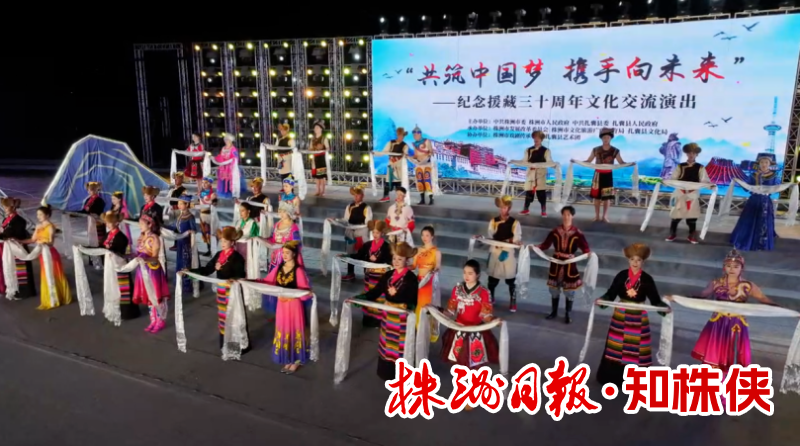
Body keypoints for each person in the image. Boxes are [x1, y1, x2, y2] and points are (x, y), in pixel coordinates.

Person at [595, 243, 668, 385]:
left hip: (638, 317)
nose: (635, 262)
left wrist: (664, 308)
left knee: (637, 348)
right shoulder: (621, 276)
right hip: (621, 316)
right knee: (617, 346)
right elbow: (611, 293)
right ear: (628, 260)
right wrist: (602, 300)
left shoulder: (647, 279)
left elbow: (655, 299)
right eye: (632, 259)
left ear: (643, 262)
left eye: (638, 260)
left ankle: (635, 381)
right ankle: (613, 378)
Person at [355, 242, 418, 380]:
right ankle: (386, 373)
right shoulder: (388, 275)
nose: (396, 261)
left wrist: (402, 299)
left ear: (407, 260)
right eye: (394, 258)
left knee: (399, 345)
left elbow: (412, 299)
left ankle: (400, 375)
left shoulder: (411, 278)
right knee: (386, 343)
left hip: (401, 317)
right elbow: (377, 290)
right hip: (388, 315)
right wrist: (363, 297)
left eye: (400, 259)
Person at [188, 226, 251, 351]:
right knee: (223, 317)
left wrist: (233, 279)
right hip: (222, 291)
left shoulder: (237, 257)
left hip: (233, 292)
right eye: (221, 240)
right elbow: (207, 270)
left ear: (232, 242)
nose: (222, 243)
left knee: (235, 317)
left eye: (225, 241)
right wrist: (189, 272)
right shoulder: (219, 255)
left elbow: (241, 275)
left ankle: (240, 344)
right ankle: (226, 343)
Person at [258, 240, 313, 374]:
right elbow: (267, 281)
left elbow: (304, 291)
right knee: (283, 330)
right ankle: (288, 358)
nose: (284, 255)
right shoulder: (279, 267)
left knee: (294, 330)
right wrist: (249, 281)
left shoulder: (298, 271)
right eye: (283, 253)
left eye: (287, 253)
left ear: (294, 254)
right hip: (282, 305)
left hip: (294, 306)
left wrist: (305, 293)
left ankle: (296, 360)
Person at [441, 259, 498, 375]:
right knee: (459, 364)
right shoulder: (457, 289)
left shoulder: (484, 292)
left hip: (475, 330)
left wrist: (494, 320)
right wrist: (436, 311)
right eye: (465, 272)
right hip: (459, 328)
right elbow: (450, 311)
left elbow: (485, 316)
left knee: (474, 365)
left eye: (470, 273)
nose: (466, 276)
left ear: (478, 275)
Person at [536, 205, 591, 324]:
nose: (566, 217)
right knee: (554, 289)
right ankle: (554, 312)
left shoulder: (577, 233)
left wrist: (589, 253)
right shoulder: (555, 231)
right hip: (556, 263)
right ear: (562, 216)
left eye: (568, 215)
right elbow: (545, 245)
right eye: (564, 214)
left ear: (572, 216)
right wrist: (534, 247)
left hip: (569, 265)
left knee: (569, 291)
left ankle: (568, 313)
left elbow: (585, 248)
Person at [20, 205, 72, 310]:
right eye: (37, 215)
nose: (38, 216)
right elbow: (32, 239)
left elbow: (50, 242)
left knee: (54, 274)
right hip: (42, 254)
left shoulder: (51, 227)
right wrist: (19, 241)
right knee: (46, 275)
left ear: (47, 215)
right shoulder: (38, 226)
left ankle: (58, 297)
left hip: (50, 254)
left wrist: (43, 243)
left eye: (40, 214)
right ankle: (51, 298)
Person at [730, 155, 781, 251]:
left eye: (766, 162)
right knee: (749, 220)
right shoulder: (753, 175)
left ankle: (762, 243)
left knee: (765, 221)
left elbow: (777, 188)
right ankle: (746, 242)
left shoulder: (774, 176)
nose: (764, 164)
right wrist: (738, 181)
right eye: (762, 162)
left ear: (770, 164)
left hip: (766, 201)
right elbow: (746, 187)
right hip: (754, 200)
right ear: (759, 164)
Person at [666, 143, 713, 244]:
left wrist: (710, 186)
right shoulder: (680, 166)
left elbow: (704, 180)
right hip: (680, 193)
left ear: (696, 154)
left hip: (692, 194)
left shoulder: (700, 167)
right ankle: (672, 234)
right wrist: (666, 182)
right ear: (686, 154)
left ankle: (691, 235)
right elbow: (673, 179)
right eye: (689, 153)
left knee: (692, 217)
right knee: (675, 216)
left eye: (693, 153)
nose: (691, 155)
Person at [350, 220, 392, 328]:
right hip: (369, 278)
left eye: (377, 232)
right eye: (373, 232)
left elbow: (389, 261)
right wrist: (347, 257)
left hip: (380, 278)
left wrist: (377, 261)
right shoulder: (367, 245)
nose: (375, 235)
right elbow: (359, 256)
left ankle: (378, 320)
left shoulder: (387, 247)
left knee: (379, 297)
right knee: (369, 295)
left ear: (382, 233)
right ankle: (368, 318)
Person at [482, 195, 522, 312]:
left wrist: (510, 241)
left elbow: (517, 237)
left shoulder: (515, 223)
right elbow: (490, 235)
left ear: (509, 208)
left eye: (504, 207)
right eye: (501, 207)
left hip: (508, 251)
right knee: (492, 277)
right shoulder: (494, 221)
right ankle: (491, 297)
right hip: (495, 250)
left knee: (511, 279)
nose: (502, 210)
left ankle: (513, 300)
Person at [581, 127, 628, 222]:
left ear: (611, 138)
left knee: (607, 197)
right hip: (597, 176)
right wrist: (576, 161)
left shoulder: (615, 150)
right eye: (604, 137)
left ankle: (605, 216)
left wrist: (630, 164)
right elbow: (589, 160)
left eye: (608, 137)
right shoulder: (596, 150)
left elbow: (621, 162)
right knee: (597, 197)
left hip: (608, 176)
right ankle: (597, 216)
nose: (606, 139)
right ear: (601, 138)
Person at [133, 215, 170, 333]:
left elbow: (155, 257)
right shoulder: (141, 237)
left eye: (142, 224)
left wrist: (143, 259)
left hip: (152, 270)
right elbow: (138, 253)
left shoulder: (154, 238)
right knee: (149, 296)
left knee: (155, 295)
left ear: (150, 224)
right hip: (142, 270)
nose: (140, 226)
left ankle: (160, 321)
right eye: (139, 224)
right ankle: (153, 320)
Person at [101, 211, 140, 320]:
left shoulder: (121, 237)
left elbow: (119, 252)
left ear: (116, 223)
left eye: (109, 222)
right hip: (109, 265)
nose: (107, 224)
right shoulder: (108, 235)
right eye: (106, 222)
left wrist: (109, 250)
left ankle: (128, 312)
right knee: (112, 285)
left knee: (123, 288)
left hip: (119, 264)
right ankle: (115, 308)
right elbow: (101, 246)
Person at [0, 197, 36, 299]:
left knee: (21, 270)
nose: (5, 209)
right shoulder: (6, 219)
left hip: (18, 247)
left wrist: (4, 235)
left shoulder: (19, 220)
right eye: (4, 207)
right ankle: (15, 289)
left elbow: (11, 234)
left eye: (6, 207)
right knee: (12, 268)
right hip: (10, 247)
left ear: (12, 207)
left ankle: (25, 292)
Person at [412, 226, 442, 341]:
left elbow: (438, 266)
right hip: (419, 282)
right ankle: (419, 328)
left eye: (427, 235)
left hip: (429, 282)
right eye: (423, 235)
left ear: (432, 237)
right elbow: (413, 266)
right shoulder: (418, 250)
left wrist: (434, 270)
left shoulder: (436, 252)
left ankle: (429, 330)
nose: (424, 237)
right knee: (419, 305)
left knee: (429, 306)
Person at [339, 186, 373, 281]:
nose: (356, 197)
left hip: (361, 233)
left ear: (362, 195)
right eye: (355, 195)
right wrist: (336, 220)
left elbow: (368, 222)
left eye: (358, 195)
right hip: (351, 232)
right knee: (350, 253)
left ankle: (367, 274)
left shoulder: (366, 208)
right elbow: (346, 219)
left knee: (364, 253)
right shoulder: (349, 207)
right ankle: (350, 273)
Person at [167, 195, 197, 295]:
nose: (179, 205)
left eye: (181, 203)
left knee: (187, 262)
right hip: (180, 242)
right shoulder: (180, 216)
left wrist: (190, 232)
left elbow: (194, 230)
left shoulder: (190, 217)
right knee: (181, 261)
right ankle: (180, 280)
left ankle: (188, 284)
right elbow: (174, 226)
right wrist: (163, 227)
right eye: (178, 203)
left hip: (187, 244)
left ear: (187, 204)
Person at [265, 201, 303, 274]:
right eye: (280, 211)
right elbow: (272, 238)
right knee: (273, 275)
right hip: (275, 256)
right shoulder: (277, 224)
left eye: (284, 212)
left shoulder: (293, 227)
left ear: (289, 213)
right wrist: (264, 239)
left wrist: (285, 246)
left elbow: (297, 244)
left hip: (287, 257)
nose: (281, 214)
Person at [520, 130, 552, 217]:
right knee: (529, 192)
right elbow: (524, 161)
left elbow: (549, 161)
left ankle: (543, 211)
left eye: (538, 137)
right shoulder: (528, 150)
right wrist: (514, 162)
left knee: (541, 193)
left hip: (540, 174)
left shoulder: (546, 151)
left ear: (541, 139)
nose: (536, 139)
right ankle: (526, 209)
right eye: (535, 137)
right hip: (531, 174)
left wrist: (554, 165)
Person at [380, 127, 409, 202]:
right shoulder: (391, 143)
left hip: (399, 166)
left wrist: (405, 154)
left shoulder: (405, 145)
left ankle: (399, 197)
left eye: (402, 135)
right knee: (388, 181)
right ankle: (386, 197)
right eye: (399, 135)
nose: (400, 137)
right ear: (397, 135)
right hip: (391, 165)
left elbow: (405, 153)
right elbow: (384, 151)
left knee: (398, 182)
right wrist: (375, 153)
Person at [411, 125, 434, 205]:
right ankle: (422, 199)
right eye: (414, 135)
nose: (415, 136)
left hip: (426, 164)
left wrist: (428, 156)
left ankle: (431, 199)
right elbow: (415, 155)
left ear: (420, 134)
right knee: (420, 181)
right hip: (419, 165)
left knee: (427, 181)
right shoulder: (414, 144)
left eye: (416, 134)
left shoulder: (427, 141)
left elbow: (431, 151)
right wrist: (410, 157)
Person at [167, 173, 187, 251]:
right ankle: (176, 244)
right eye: (175, 178)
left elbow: (183, 200)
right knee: (174, 228)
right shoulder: (173, 189)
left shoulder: (183, 190)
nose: (176, 180)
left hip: (179, 210)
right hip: (173, 210)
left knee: (178, 228)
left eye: (178, 178)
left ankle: (179, 244)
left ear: (181, 179)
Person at [215, 134, 240, 199]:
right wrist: (216, 159)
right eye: (225, 140)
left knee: (229, 181)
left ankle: (230, 193)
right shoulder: (223, 148)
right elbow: (220, 156)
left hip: (230, 168)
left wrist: (230, 161)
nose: (226, 141)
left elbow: (236, 158)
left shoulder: (233, 149)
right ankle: (223, 192)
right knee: (222, 180)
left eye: (228, 140)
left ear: (231, 141)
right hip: (223, 167)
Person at [198, 177, 217, 256]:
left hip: (209, 216)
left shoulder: (213, 194)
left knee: (210, 233)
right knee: (204, 233)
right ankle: (208, 249)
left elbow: (215, 204)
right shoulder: (201, 193)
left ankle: (212, 249)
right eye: (202, 183)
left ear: (210, 183)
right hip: (202, 215)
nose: (204, 184)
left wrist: (212, 200)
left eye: (205, 182)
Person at [310, 120, 330, 196]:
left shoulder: (324, 138)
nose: (316, 129)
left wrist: (322, 148)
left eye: (317, 128)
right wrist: (313, 149)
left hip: (321, 159)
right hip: (315, 159)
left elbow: (328, 148)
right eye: (315, 128)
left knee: (321, 176)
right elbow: (310, 148)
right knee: (316, 177)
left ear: (321, 129)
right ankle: (317, 190)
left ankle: (322, 191)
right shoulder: (313, 139)